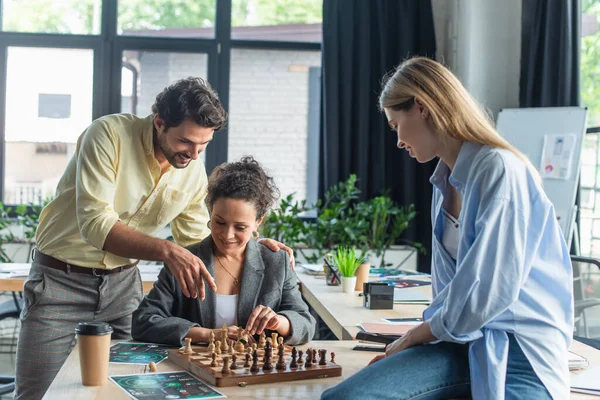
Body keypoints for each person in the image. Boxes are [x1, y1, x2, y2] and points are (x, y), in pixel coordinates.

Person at [16, 78, 292, 399]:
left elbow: (201, 241)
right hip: (59, 285)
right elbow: (96, 224)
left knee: (123, 392)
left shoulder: (192, 170)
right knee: (38, 394)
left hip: (122, 291)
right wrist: (166, 250)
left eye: (203, 146)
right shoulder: (108, 136)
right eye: (186, 142)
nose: (193, 154)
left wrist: (252, 245)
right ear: (159, 121)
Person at [322, 57, 573, 399]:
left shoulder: (499, 170)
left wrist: (413, 337)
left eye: (396, 125)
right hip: (457, 341)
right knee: (344, 397)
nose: (396, 140)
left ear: (422, 107)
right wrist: (412, 345)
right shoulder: (443, 184)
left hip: (520, 349)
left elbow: (488, 291)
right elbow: (449, 294)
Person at [132, 156, 316, 346]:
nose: (227, 235)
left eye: (240, 227)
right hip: (197, 369)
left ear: (258, 222)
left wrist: (280, 321)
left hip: (257, 371)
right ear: (210, 211)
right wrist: (207, 334)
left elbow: (306, 323)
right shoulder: (184, 261)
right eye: (220, 222)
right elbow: (143, 322)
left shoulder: (276, 260)